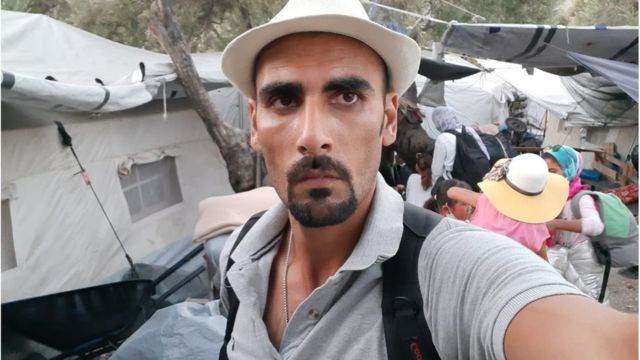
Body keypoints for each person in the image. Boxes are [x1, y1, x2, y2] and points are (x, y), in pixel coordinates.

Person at [218, 0, 638, 358]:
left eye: (346, 97)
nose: (312, 136)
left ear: (387, 120)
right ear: (255, 123)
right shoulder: (237, 260)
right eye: (284, 99)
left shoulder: (452, 271)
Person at [447, 154, 567, 260]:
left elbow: (452, 191)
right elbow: (544, 264)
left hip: (475, 263)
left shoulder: (485, 202)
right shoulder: (535, 226)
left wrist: (489, 193)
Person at [543, 145, 608, 301]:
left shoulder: (581, 197)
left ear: (570, 170)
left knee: (592, 299)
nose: (547, 176)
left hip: (584, 256)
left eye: (553, 171)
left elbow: (595, 226)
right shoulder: (551, 197)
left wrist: (556, 224)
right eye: (544, 171)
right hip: (562, 254)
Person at [430, 106, 490, 188]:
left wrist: (436, 188)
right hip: (484, 174)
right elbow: (485, 153)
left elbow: (437, 170)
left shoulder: (443, 138)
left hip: (464, 182)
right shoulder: (469, 130)